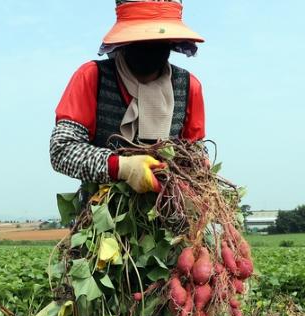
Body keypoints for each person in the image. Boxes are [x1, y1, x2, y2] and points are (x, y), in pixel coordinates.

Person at [50, 0, 205, 194]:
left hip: (168, 214)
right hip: (104, 213)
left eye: (157, 42)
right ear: (124, 42)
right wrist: (121, 167)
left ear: (171, 42)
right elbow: (61, 150)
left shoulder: (188, 86)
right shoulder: (92, 76)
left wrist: (197, 174)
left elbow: (195, 155)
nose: (149, 47)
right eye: (142, 41)